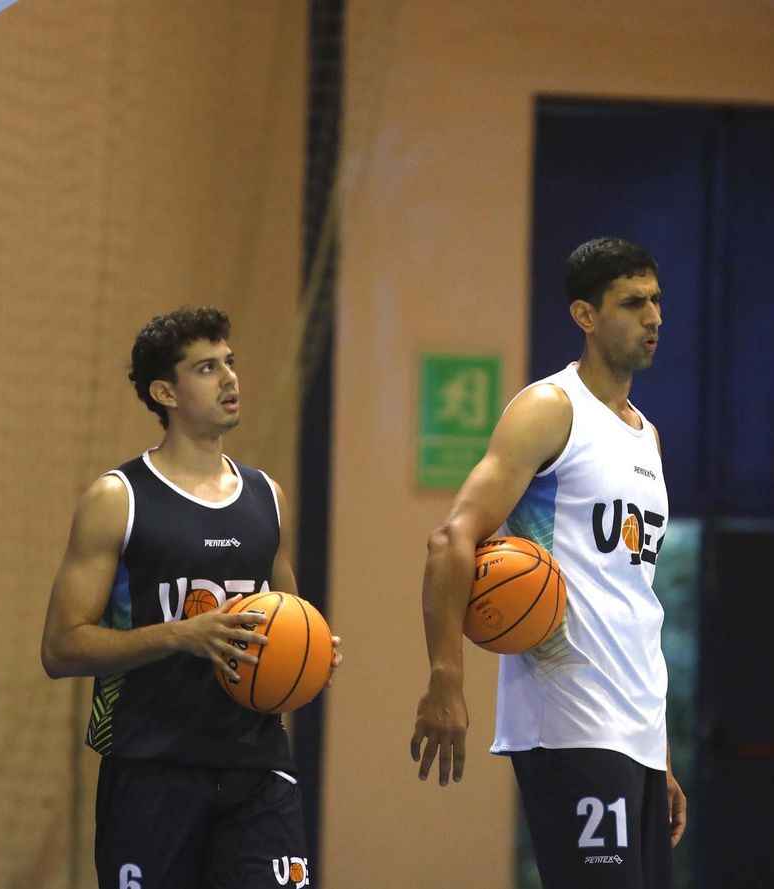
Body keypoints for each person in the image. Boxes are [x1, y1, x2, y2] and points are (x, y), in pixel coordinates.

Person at [410, 238, 687, 888]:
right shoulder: (549, 410)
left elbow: (634, 601)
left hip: (636, 732)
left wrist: (661, 753)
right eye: (632, 303)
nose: (653, 317)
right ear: (585, 315)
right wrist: (445, 678)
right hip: (571, 717)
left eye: (657, 301)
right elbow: (451, 539)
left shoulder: (648, 436)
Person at [40, 307, 339, 889]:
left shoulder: (267, 496)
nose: (230, 379)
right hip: (151, 765)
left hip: (257, 765)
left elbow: (289, 618)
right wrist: (181, 634)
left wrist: (310, 656)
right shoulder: (118, 498)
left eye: (229, 363)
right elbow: (61, 648)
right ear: (164, 392)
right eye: (206, 368)